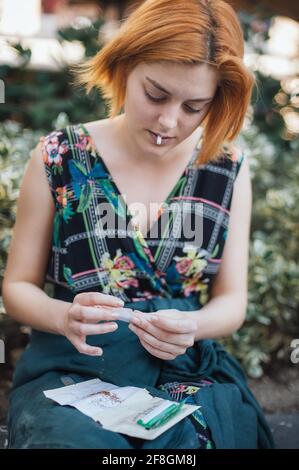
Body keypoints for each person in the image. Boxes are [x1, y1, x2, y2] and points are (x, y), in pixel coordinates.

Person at [2, 0, 275, 449]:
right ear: (125, 65)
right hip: (76, 370)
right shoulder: (59, 156)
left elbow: (232, 301)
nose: (169, 121)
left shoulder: (227, 166)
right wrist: (63, 316)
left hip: (187, 371)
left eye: (195, 107)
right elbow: (17, 287)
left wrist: (195, 326)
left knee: (191, 443)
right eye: (156, 94)